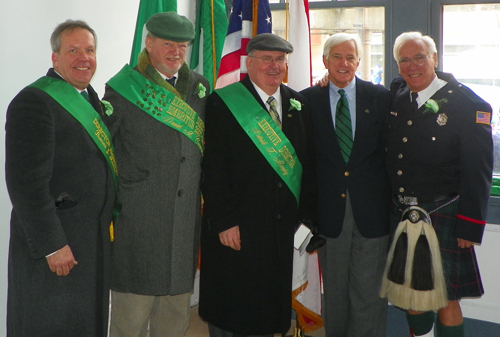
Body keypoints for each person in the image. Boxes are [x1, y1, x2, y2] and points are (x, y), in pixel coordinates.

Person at [198, 33, 317, 337]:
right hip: (237, 226)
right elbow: (212, 168)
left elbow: (308, 166)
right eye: (266, 59)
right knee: (233, 308)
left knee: (269, 311)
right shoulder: (223, 103)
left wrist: (304, 221)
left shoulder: (298, 104)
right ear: (249, 63)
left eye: (280, 59)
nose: (274, 66)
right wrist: (223, 220)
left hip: (279, 229)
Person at [5, 20, 116, 336]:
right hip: (57, 246)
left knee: (85, 325)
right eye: (73, 50)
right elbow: (26, 185)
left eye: (90, 50)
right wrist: (53, 245)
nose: (84, 58)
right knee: (50, 325)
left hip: (91, 243)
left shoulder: (92, 101)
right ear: (55, 58)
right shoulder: (34, 102)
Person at [102, 12, 209, 337]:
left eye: (183, 45)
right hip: (138, 227)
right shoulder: (122, 90)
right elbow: (104, 153)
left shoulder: (200, 87)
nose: (176, 52)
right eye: (168, 44)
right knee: (129, 322)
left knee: (174, 322)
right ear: (148, 44)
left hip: (182, 226)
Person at [383, 31, 493, 337]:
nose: (412, 65)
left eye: (419, 57)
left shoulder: (468, 105)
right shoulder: (397, 94)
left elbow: (478, 172)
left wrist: (469, 226)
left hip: (443, 213)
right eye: (403, 60)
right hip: (402, 213)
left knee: (445, 299)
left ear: (434, 58)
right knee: (411, 296)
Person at [301, 33, 391, 337]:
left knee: (369, 293)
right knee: (335, 293)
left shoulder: (380, 97)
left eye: (350, 57)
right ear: (324, 61)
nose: (344, 63)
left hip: (373, 213)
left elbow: (416, 87)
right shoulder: (306, 100)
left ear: (359, 61)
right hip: (329, 213)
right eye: (337, 57)